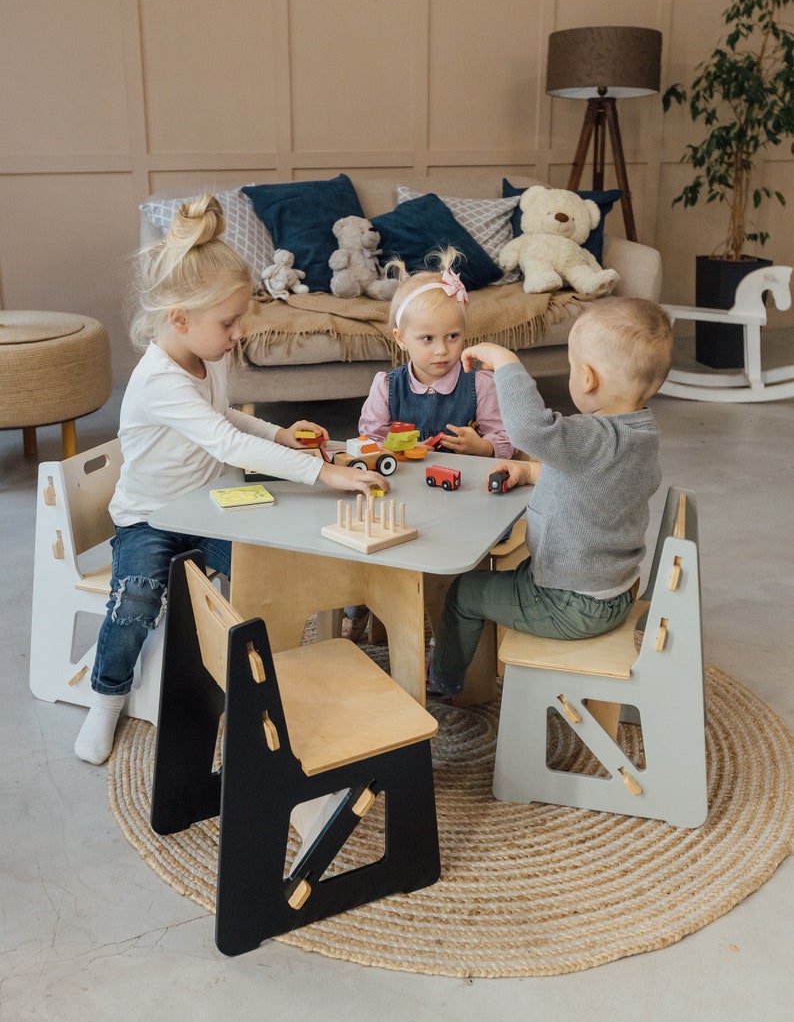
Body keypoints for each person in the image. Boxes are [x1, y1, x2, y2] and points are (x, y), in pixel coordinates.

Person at [75, 195, 389, 765]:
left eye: (239, 319)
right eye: (228, 322)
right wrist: (323, 471)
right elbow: (225, 442)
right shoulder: (158, 380)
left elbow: (224, 419)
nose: (239, 332)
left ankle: (263, 675)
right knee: (137, 600)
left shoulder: (210, 356)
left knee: (267, 571)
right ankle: (106, 697)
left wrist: (280, 435)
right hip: (151, 520)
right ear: (179, 319)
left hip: (208, 509)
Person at [427, 295, 674, 698]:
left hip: (570, 602)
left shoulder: (589, 436)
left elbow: (530, 429)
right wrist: (528, 471)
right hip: (613, 589)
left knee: (465, 592)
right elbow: (593, 480)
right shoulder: (640, 432)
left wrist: (506, 363)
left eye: (573, 368)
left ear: (587, 378)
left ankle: (443, 681)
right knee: (507, 575)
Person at [342, 247, 514, 641]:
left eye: (453, 336)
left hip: (460, 500)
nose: (442, 349)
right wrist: (385, 451)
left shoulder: (480, 384)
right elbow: (368, 440)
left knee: (451, 559)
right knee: (369, 542)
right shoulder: (387, 386)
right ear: (401, 339)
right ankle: (361, 604)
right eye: (427, 339)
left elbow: (506, 441)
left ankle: (449, 616)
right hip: (401, 496)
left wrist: (483, 448)